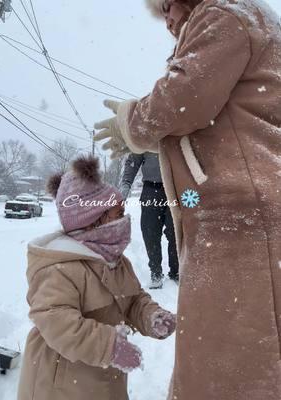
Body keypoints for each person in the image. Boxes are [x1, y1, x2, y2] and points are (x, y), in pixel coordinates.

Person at [93, 0, 281, 399]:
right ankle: (160, 269)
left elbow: (183, 98)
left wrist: (133, 123)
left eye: (167, 7)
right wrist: (124, 189)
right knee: (242, 350)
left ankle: (167, 269)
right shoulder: (245, 20)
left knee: (229, 360)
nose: (168, 21)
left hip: (240, 222)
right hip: (232, 214)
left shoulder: (224, 15)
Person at [17, 155, 176, 400]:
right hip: (60, 384)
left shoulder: (116, 261)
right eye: (118, 214)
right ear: (93, 221)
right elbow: (56, 320)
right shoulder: (61, 266)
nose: (125, 220)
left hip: (102, 379)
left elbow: (132, 299)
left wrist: (149, 315)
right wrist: (108, 346)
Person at [121, 152, 179, 288]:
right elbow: (132, 162)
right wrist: (126, 185)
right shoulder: (145, 136)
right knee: (150, 232)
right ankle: (156, 272)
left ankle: (176, 271)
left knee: (175, 231)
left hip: (175, 190)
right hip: (150, 191)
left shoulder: (175, 133)